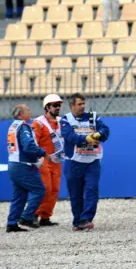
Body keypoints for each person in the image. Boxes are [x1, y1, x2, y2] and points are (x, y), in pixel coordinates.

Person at [60, 93, 110, 231]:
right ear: (72, 105)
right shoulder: (66, 120)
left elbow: (105, 130)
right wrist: (86, 139)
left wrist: (99, 134)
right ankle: (78, 221)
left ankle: (86, 218)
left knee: (91, 189)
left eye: (83, 103)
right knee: (75, 193)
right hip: (74, 162)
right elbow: (69, 136)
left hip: (92, 161)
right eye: (79, 104)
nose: (82, 106)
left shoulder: (93, 117)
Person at [6, 104, 47, 233]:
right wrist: (42, 153)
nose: (30, 112)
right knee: (39, 190)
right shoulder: (23, 127)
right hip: (22, 165)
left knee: (19, 195)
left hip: (13, 164)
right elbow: (28, 146)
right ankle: (27, 217)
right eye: (28, 110)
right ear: (21, 114)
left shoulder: (13, 126)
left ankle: (12, 223)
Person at [32, 94, 65, 227]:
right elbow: (34, 142)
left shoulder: (62, 122)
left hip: (56, 160)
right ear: (47, 107)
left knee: (55, 189)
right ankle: (34, 214)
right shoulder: (38, 123)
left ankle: (45, 217)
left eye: (59, 105)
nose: (58, 108)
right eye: (55, 105)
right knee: (45, 188)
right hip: (43, 159)